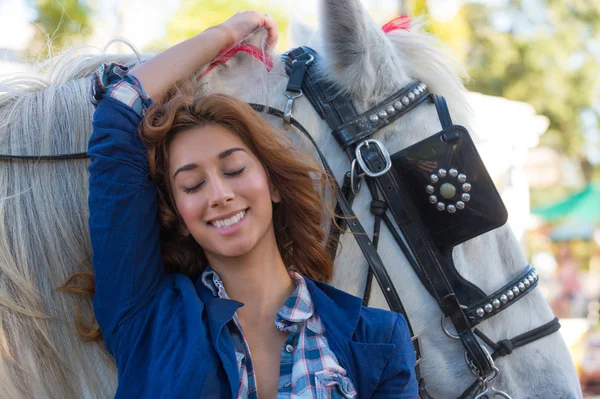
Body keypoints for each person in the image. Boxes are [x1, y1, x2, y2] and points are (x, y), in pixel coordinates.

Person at [87, 10, 418, 398]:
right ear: (177, 214)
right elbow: (119, 107)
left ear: (273, 184)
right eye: (192, 185)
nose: (219, 195)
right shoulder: (145, 317)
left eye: (233, 169)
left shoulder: (379, 340)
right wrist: (224, 32)